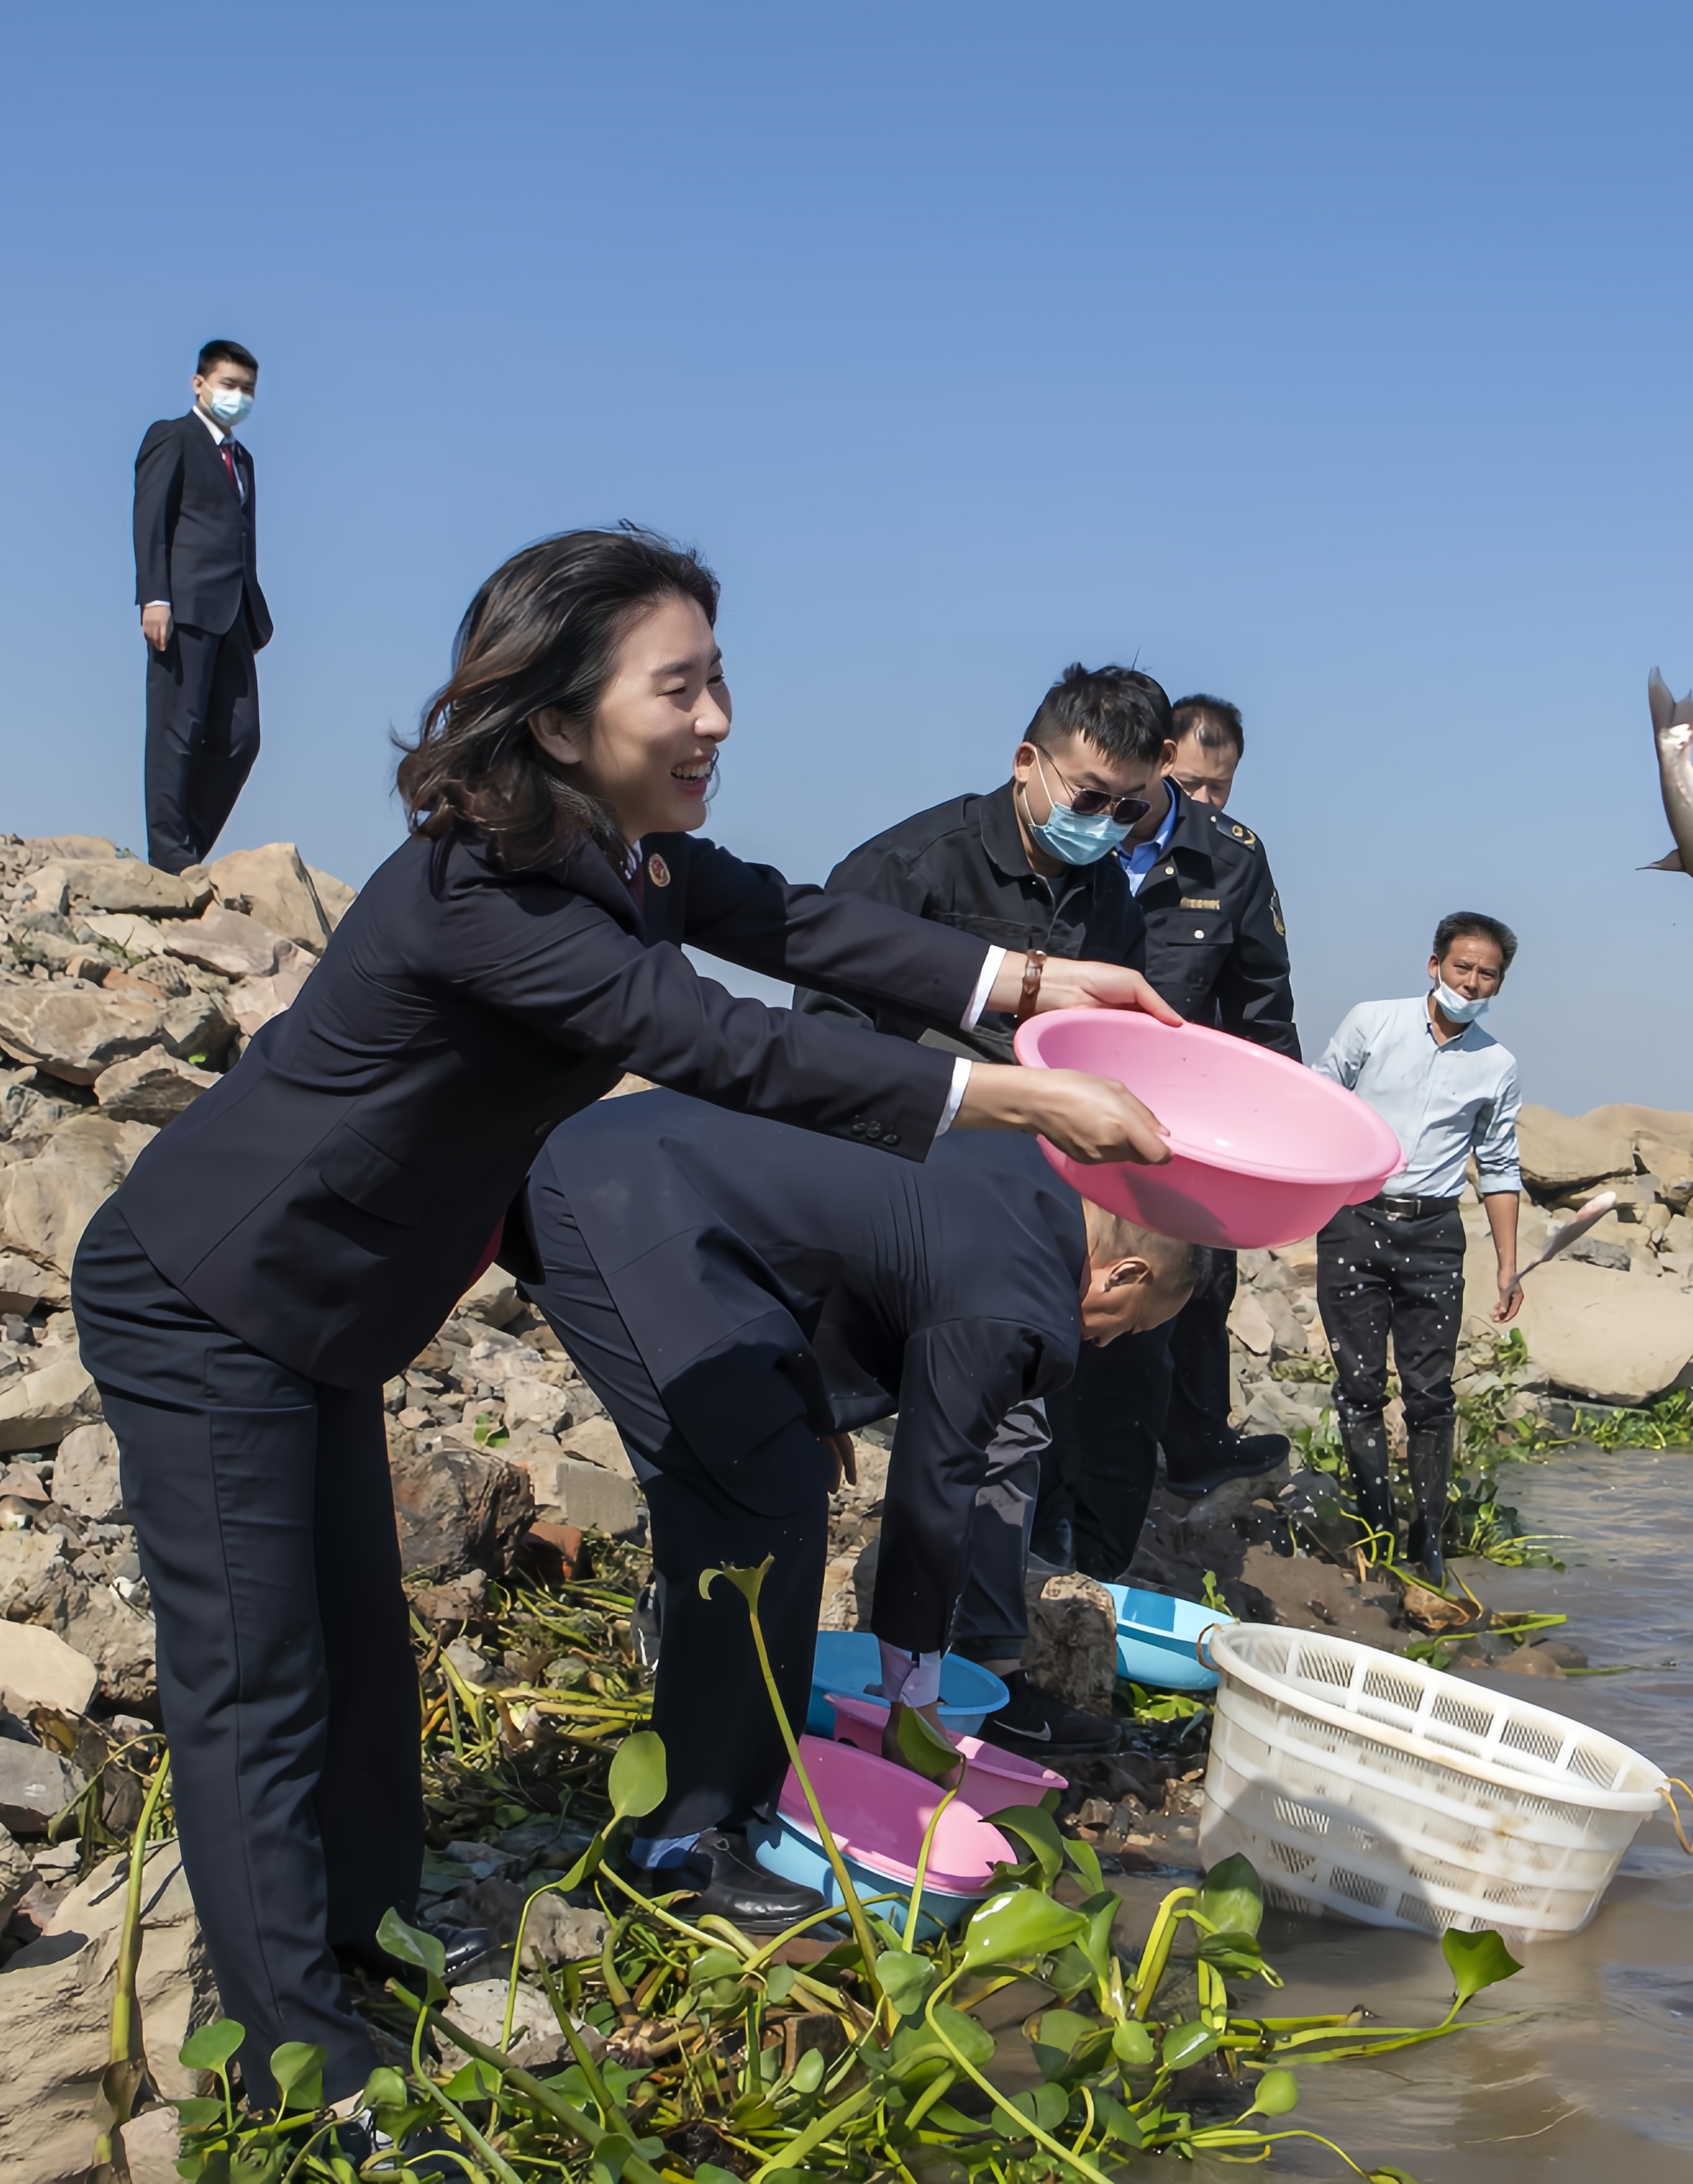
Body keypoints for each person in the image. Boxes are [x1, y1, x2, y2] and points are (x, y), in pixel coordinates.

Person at [72, 527, 1178, 2109]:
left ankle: (374, 1951)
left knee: (363, 1665)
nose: (719, 716)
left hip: (320, 1313)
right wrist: (1007, 1092)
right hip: (207, 1297)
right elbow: (715, 1036)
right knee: (258, 1677)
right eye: (681, 685)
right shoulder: (484, 892)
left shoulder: (627, 849)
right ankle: (292, 2079)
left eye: (719, 678)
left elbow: (797, 926)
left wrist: (1031, 973)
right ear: (555, 714)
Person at [517, 1091, 1194, 1924]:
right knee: (751, 1515)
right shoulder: (1024, 1300)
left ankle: (727, 1803)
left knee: (776, 1494)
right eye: (1130, 1323)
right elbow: (935, 1482)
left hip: (655, 1186)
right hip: (623, 1206)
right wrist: (914, 1692)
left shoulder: (1026, 1183)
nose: (1108, 1343)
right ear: (1124, 1273)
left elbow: (836, 1233)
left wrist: (803, 1397)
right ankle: (676, 1844)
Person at [800, 666, 1183, 1589]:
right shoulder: (908, 867)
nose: (1104, 823)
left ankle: (970, 1663)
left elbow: (1111, 1060)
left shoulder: (1107, 906)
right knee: (805, 1434)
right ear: (1027, 764)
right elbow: (821, 1046)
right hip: (893, 1183)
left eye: (1129, 810)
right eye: (1089, 798)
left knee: (1009, 1427)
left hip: (1023, 1209)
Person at [1308, 913, 1528, 1582]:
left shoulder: (1497, 1065)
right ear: (1433, 965)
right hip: (1354, 1221)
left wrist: (1509, 1265)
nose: (1471, 981)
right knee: (1359, 1385)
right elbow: (1319, 1099)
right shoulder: (1370, 1023)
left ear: (1498, 984)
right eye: (1461, 967)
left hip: (1434, 1235)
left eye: (1486, 974)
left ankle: (1425, 1540)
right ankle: (1374, 1525)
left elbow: (1498, 1165)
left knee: (1430, 1394)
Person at [1128, 694, 1298, 1499]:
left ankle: (1194, 1442)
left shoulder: (1235, 857)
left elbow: (1262, 1000)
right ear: (1157, 758)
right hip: (1072, 1091)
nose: (1201, 803)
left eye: (1218, 788)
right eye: (1189, 783)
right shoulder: (1098, 826)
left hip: (1188, 1109)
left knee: (1202, 1272)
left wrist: (1279, 1130)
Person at [132, 339, 275, 872]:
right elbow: (151, 520)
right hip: (183, 606)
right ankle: (169, 854)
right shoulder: (173, 438)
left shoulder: (243, 460)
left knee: (242, 736)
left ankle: (186, 842)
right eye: (229, 385)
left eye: (247, 389)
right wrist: (155, 596)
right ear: (200, 384)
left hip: (236, 612)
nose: (238, 397)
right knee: (177, 730)